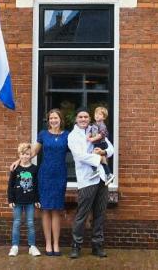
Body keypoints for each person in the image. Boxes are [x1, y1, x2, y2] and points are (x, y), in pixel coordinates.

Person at [14, 108, 70, 256]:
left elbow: (78, 151)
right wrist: (18, 161)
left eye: (55, 118)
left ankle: (56, 244)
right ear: (48, 121)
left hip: (60, 175)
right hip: (45, 175)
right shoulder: (43, 135)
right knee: (45, 209)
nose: (53, 120)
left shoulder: (67, 136)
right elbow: (31, 153)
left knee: (56, 210)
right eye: (51, 118)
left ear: (60, 119)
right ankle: (48, 244)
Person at [68, 108, 115, 258]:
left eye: (86, 117)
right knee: (82, 214)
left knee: (100, 214)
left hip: (102, 178)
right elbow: (79, 155)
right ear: (76, 119)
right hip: (87, 179)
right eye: (80, 117)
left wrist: (104, 153)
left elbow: (111, 148)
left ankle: (97, 245)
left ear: (89, 119)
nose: (83, 119)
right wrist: (98, 159)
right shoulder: (72, 136)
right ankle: (76, 246)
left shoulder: (95, 130)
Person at [7, 142, 41, 257]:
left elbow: (36, 186)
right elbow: (10, 185)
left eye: (27, 154)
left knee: (30, 223)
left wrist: (37, 199)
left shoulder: (34, 169)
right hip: (17, 201)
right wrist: (10, 200)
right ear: (19, 154)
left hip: (30, 201)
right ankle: (15, 246)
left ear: (30, 155)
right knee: (16, 223)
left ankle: (32, 246)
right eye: (22, 154)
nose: (24, 156)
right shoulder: (15, 169)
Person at [85, 106, 113, 185]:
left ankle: (95, 171)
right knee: (102, 159)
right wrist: (88, 136)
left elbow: (101, 135)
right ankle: (108, 174)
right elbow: (90, 131)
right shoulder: (94, 124)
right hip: (96, 143)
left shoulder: (102, 125)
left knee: (93, 156)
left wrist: (92, 139)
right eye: (96, 113)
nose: (97, 115)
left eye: (100, 114)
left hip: (101, 143)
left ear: (104, 117)